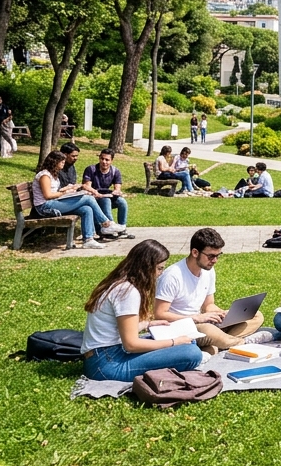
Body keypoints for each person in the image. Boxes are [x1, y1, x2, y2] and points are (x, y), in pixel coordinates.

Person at [81, 239, 204, 381]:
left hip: (104, 356)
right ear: (146, 267)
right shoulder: (127, 292)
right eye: (159, 268)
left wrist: (147, 324)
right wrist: (173, 342)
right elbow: (131, 344)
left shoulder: (120, 284)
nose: (160, 273)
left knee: (189, 342)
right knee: (192, 353)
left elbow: (119, 330)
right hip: (107, 364)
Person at [155, 228, 269, 353]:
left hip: (203, 322)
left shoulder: (208, 271)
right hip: (180, 327)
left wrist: (222, 314)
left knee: (256, 315)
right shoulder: (172, 276)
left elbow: (209, 305)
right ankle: (241, 342)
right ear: (195, 252)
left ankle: (221, 343)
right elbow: (160, 314)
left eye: (218, 256)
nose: (215, 260)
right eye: (211, 256)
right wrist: (197, 318)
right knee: (209, 330)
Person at [32, 150, 121, 248]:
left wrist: (68, 188)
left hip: (53, 203)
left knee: (86, 209)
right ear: (54, 162)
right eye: (62, 162)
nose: (64, 163)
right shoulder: (44, 175)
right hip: (45, 207)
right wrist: (64, 193)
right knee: (88, 199)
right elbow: (47, 195)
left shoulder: (52, 174)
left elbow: (54, 191)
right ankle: (106, 224)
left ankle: (88, 240)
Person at [83, 149, 128, 232]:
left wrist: (117, 192)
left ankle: (122, 227)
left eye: (107, 160)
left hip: (107, 195)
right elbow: (86, 186)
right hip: (93, 197)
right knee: (105, 200)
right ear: (99, 158)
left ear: (112, 161)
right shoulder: (91, 169)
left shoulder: (115, 171)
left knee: (122, 202)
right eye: (102, 159)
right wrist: (96, 193)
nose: (104, 162)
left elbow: (117, 188)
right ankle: (109, 226)